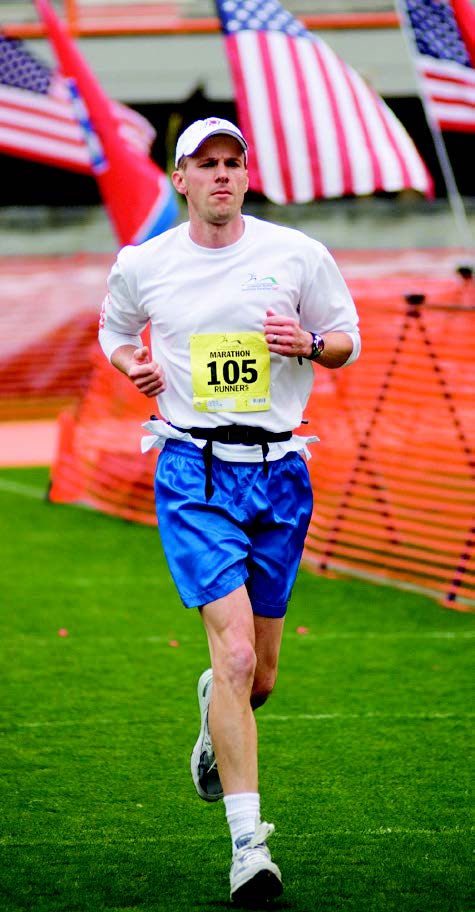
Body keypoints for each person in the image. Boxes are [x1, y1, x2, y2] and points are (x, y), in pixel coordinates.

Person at [98, 116, 361, 908]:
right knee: (239, 657)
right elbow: (113, 334)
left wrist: (310, 343)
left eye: (231, 163)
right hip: (192, 469)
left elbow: (347, 337)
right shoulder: (144, 263)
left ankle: (217, 709)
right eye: (203, 164)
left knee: (259, 679)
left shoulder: (296, 254)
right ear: (178, 179)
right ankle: (250, 848)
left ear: (246, 175)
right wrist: (133, 364)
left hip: (281, 471)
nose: (219, 175)